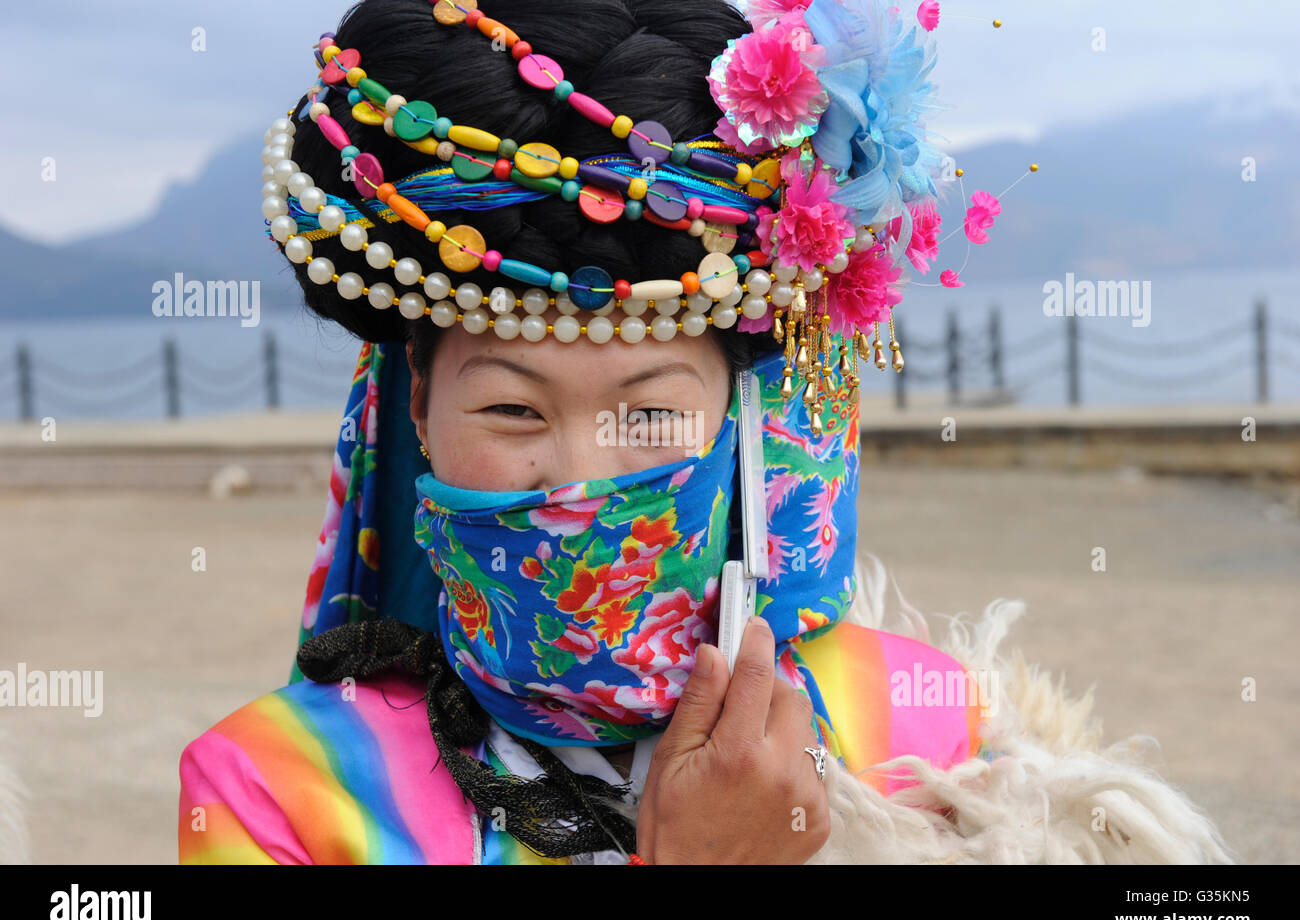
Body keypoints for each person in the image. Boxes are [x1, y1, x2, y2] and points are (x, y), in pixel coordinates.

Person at [178, 0, 1233, 864]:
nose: (579, 479)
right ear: (414, 407)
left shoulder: (928, 736)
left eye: (648, 411)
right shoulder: (275, 792)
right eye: (512, 409)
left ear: (745, 420)